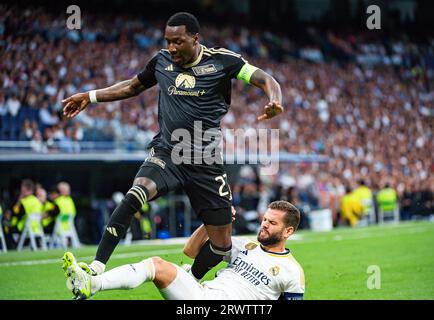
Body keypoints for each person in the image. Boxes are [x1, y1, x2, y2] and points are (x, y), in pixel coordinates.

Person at [61, 12, 283, 279]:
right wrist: (90, 96)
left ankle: (190, 282)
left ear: (195, 38)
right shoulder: (161, 61)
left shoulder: (223, 61)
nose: (171, 48)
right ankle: (95, 268)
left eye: (178, 41)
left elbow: (266, 79)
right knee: (137, 192)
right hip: (169, 151)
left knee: (221, 244)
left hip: (206, 159)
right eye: (168, 41)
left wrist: (275, 100)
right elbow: (132, 87)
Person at [63, 201, 305, 300]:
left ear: (288, 232)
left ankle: (92, 284)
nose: (264, 225)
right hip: (203, 294)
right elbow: (189, 251)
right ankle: (91, 284)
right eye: (264, 219)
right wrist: (212, 222)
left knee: (156, 265)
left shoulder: (292, 272)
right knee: (157, 266)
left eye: (272, 223)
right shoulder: (244, 244)